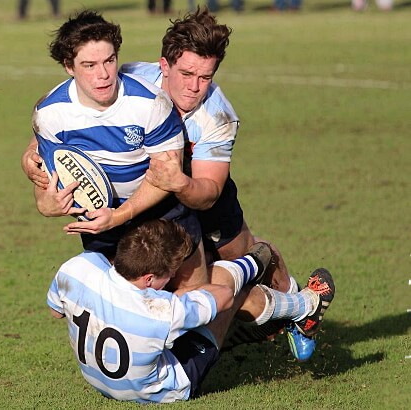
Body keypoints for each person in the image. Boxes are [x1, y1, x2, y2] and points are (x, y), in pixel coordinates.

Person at [119, 7, 320, 360]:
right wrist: (34, 150)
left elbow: (208, 192)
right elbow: (79, 111)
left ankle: (296, 301)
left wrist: (180, 182)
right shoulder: (131, 80)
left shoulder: (218, 116)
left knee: (248, 258)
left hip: (201, 190)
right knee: (205, 281)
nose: (195, 87)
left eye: (205, 77)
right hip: (157, 197)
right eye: (186, 73)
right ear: (163, 66)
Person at [47, 219, 336, 402]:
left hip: (101, 383)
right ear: (148, 278)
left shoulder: (76, 268)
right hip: (167, 388)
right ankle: (306, 307)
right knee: (227, 285)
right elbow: (223, 296)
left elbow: (57, 312)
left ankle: (254, 327)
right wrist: (252, 262)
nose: (172, 279)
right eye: (169, 273)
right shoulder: (160, 311)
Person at [22, 10, 208, 293]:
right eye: (89, 65)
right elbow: (47, 174)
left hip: (161, 207)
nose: (103, 74)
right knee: (120, 301)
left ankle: (247, 280)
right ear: (68, 67)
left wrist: (119, 215)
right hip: (100, 217)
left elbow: (166, 176)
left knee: (193, 297)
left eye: (109, 60)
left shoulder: (150, 103)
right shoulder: (50, 114)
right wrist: (46, 204)